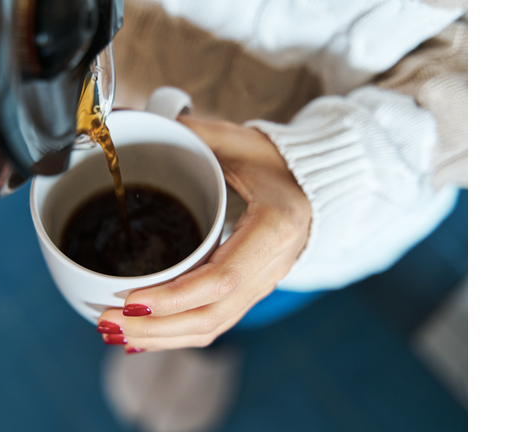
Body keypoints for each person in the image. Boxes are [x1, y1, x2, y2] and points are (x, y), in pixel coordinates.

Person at [96, 0, 467, 430]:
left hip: (347, 196)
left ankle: (211, 345)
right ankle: (186, 338)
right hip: (121, 81)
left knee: (255, 293)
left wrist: (330, 171)